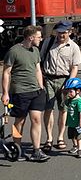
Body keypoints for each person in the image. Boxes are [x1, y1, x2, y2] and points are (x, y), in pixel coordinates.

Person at [1, 25, 50, 162]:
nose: (41, 39)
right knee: (19, 121)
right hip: (20, 92)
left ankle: (36, 151)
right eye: (39, 37)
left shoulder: (35, 50)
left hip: (36, 92)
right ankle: (17, 150)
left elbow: (37, 70)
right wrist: (5, 93)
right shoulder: (14, 51)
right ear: (31, 37)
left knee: (36, 119)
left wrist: (41, 87)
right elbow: (6, 72)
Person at [40, 20, 81, 152]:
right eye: (59, 32)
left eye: (64, 33)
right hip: (49, 79)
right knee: (48, 109)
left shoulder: (74, 47)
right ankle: (49, 138)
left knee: (63, 110)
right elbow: (40, 60)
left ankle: (60, 137)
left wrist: (69, 84)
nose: (61, 35)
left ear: (70, 32)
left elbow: (75, 67)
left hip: (64, 80)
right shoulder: (48, 42)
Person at [63, 77, 81, 159]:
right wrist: (65, 96)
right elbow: (64, 103)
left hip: (77, 123)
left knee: (78, 137)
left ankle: (80, 150)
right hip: (71, 122)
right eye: (68, 91)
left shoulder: (79, 101)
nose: (69, 93)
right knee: (72, 136)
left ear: (78, 91)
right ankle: (75, 146)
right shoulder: (70, 99)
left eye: (71, 91)